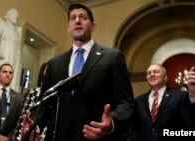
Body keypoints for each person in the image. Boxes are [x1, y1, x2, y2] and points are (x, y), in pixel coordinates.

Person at [28, 3, 135, 141]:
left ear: (93, 26)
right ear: (68, 28)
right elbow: (44, 104)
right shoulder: (55, 63)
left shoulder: (112, 57)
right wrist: (35, 126)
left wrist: (111, 122)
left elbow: (127, 104)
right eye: (72, 18)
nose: (77, 20)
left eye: (82, 17)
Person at [130, 64, 195, 141]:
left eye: (156, 72)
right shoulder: (138, 101)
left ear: (165, 77)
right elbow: (135, 129)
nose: (152, 74)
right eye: (149, 73)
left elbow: (190, 123)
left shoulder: (181, 97)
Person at [0, 63, 24, 141]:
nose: (7, 75)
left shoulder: (19, 98)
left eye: (10, 73)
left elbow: (19, 121)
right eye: (4, 72)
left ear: (12, 76)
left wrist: (9, 137)